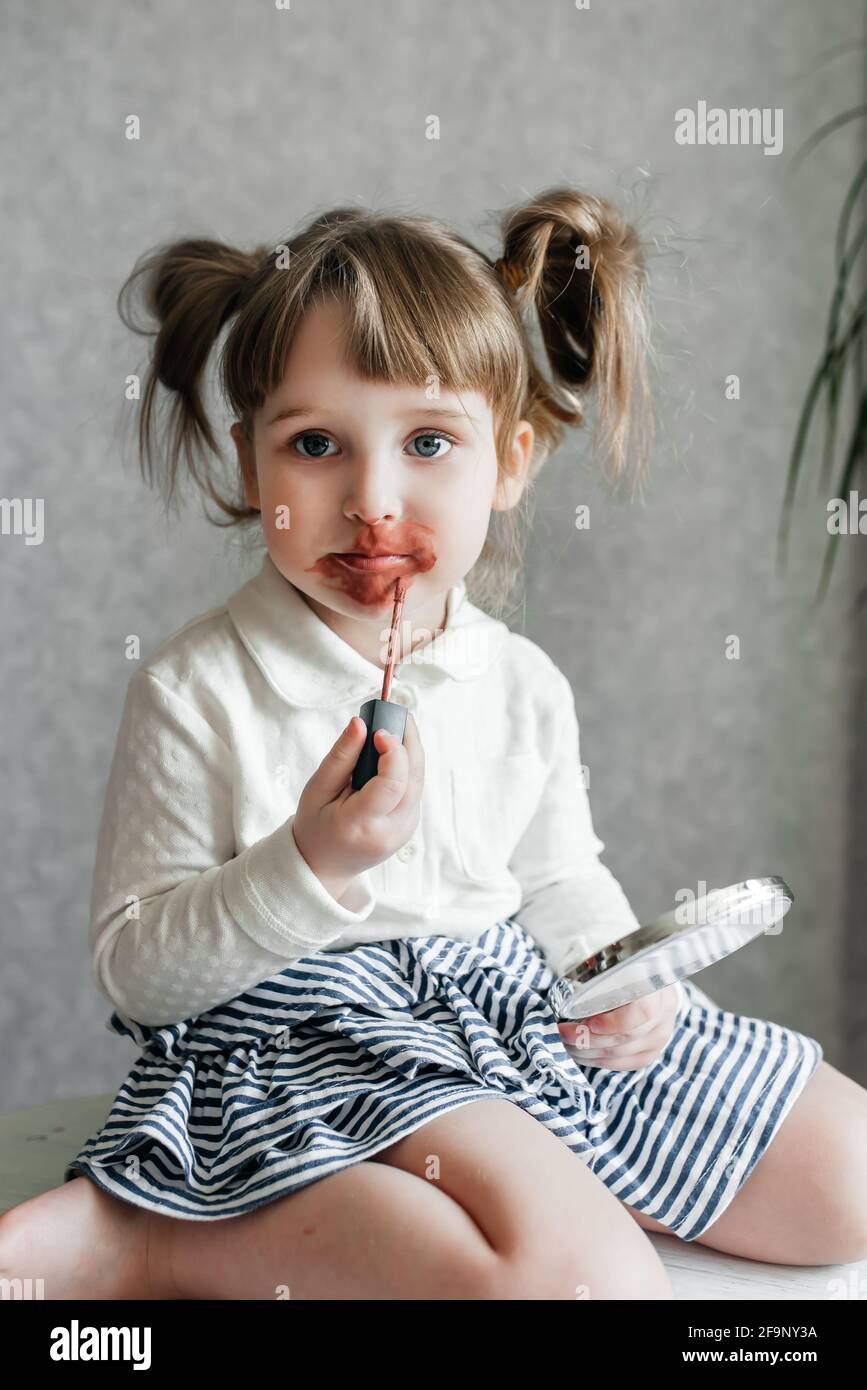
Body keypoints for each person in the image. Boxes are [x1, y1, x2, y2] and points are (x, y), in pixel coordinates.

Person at [3, 188, 866, 1300]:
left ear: (509, 461)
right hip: (314, 1037)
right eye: (315, 445)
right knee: (587, 1287)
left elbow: (558, 877)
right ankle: (155, 1236)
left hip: (502, 1010)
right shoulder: (195, 690)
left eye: (427, 443)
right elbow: (138, 972)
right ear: (252, 466)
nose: (372, 499)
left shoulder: (521, 682)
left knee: (847, 1176)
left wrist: (618, 975)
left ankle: (545, 1173)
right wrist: (309, 865)